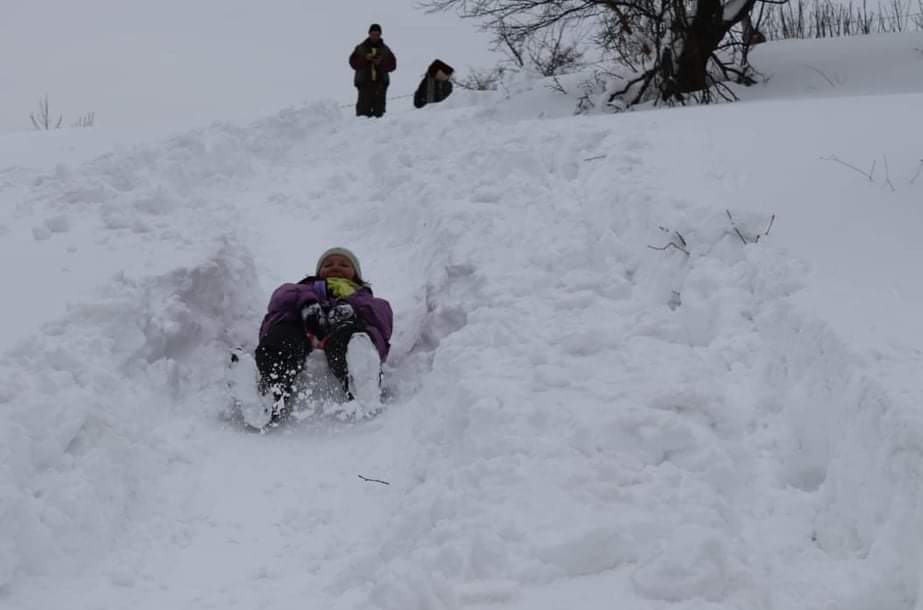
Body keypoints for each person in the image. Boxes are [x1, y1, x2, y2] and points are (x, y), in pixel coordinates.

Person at [255, 247, 393, 419]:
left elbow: (381, 315)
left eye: (344, 264)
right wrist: (307, 303)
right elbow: (281, 298)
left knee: (353, 339)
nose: (336, 267)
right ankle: (270, 391)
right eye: (328, 264)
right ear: (318, 272)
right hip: (303, 331)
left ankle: (362, 382)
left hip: (341, 333)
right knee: (283, 336)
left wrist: (352, 308)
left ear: (356, 275)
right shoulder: (304, 287)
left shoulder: (363, 296)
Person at [349, 23, 397, 118]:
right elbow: (352, 62)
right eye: (373, 34)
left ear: (380, 35)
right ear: (369, 34)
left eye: (377, 34)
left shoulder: (386, 50)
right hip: (364, 86)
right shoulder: (360, 48)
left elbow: (393, 65)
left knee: (379, 116)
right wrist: (365, 59)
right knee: (362, 116)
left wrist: (381, 63)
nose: (375, 36)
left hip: (380, 86)